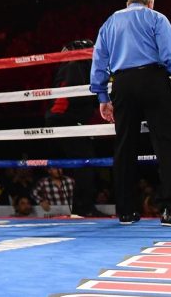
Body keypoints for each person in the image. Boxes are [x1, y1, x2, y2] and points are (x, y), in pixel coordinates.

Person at [90, 0, 171, 227]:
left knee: (124, 146)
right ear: (150, 3)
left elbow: (99, 60)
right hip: (153, 80)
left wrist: (101, 96)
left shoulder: (110, 22)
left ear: (128, 2)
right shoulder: (156, 17)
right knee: (167, 144)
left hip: (122, 83)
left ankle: (126, 212)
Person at [45, 39, 100, 216]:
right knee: (85, 162)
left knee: (85, 162)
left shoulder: (72, 65)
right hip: (65, 118)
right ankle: (83, 209)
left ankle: (83, 208)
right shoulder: (74, 64)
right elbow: (78, 97)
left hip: (65, 117)